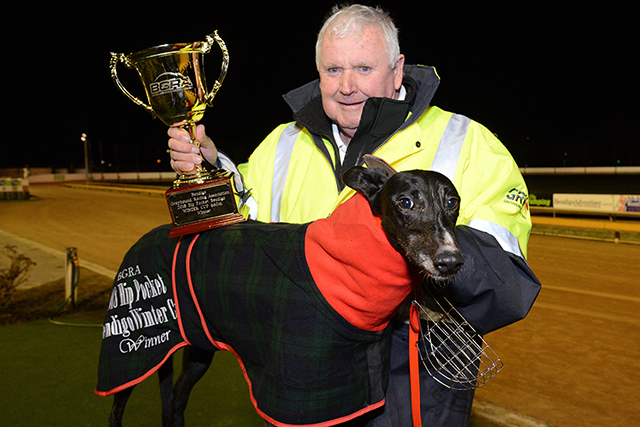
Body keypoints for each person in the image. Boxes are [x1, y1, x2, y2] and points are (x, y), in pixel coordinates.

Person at [168, 4, 541, 426]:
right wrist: (212, 170)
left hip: (408, 377)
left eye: (364, 68)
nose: (346, 86)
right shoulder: (282, 143)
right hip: (302, 373)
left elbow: (508, 279)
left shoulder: (468, 142)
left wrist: (413, 261)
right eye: (332, 70)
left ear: (397, 70)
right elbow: (245, 230)